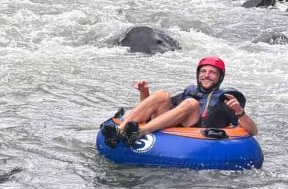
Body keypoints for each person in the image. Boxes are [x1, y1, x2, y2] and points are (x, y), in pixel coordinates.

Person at [101, 56, 258, 147]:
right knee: (162, 94)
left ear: (220, 77)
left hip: (196, 136)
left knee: (191, 103)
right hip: (173, 127)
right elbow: (154, 111)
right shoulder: (190, 91)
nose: (206, 75)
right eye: (203, 71)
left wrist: (239, 111)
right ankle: (120, 131)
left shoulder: (226, 98)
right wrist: (144, 93)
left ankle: (139, 133)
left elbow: (253, 131)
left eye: (212, 73)